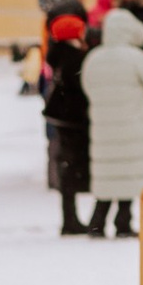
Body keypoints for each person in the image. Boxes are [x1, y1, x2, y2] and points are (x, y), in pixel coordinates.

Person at [80, 3, 143, 236]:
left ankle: (97, 222)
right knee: (129, 171)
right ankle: (123, 221)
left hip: (104, 127)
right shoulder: (136, 57)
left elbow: (86, 86)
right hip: (134, 124)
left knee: (109, 173)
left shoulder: (93, 58)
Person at [43, 12, 92, 234]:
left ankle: (69, 218)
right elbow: (80, 88)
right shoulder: (74, 57)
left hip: (62, 116)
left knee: (67, 166)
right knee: (71, 167)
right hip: (73, 118)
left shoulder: (59, 54)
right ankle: (71, 220)